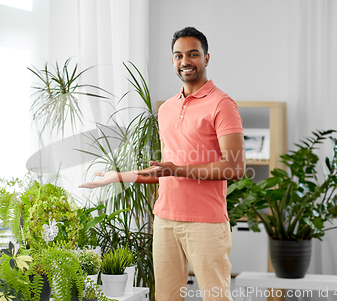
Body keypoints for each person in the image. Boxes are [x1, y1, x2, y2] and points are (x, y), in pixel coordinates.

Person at [80, 26, 245, 301]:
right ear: (172, 61)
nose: (185, 61)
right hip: (165, 220)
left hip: (205, 223)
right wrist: (117, 176)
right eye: (178, 55)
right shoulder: (166, 109)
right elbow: (163, 170)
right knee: (167, 297)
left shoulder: (222, 104)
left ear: (206, 58)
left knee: (216, 297)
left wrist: (177, 170)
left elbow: (234, 167)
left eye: (193, 54)